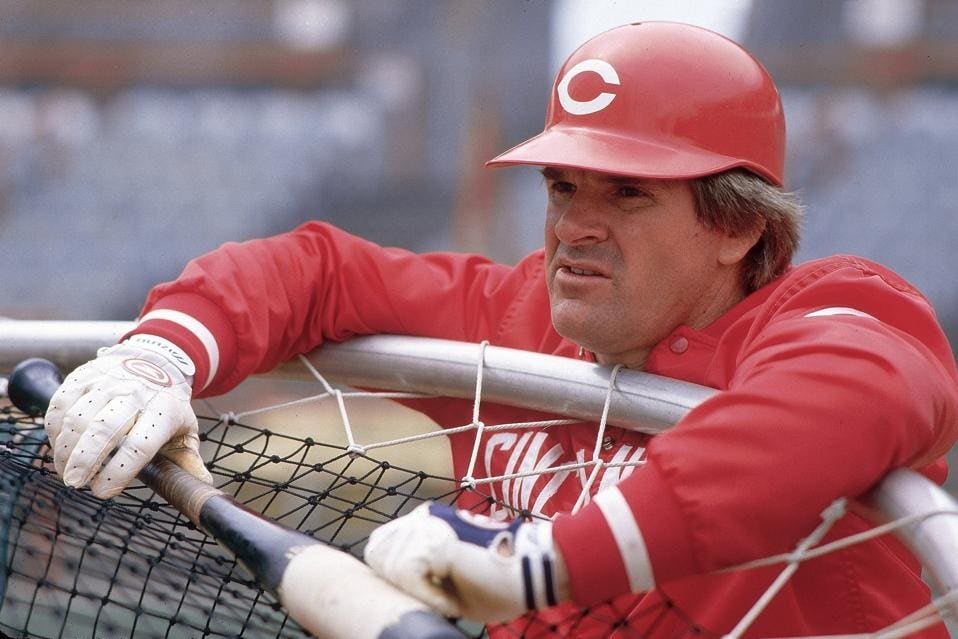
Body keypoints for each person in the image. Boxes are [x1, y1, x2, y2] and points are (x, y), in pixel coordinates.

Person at [44, 21, 958, 638]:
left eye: (627, 193)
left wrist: (544, 559)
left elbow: (831, 405)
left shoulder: (834, 311)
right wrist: (162, 352)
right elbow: (317, 270)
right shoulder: (520, 313)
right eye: (562, 186)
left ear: (740, 227)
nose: (574, 226)